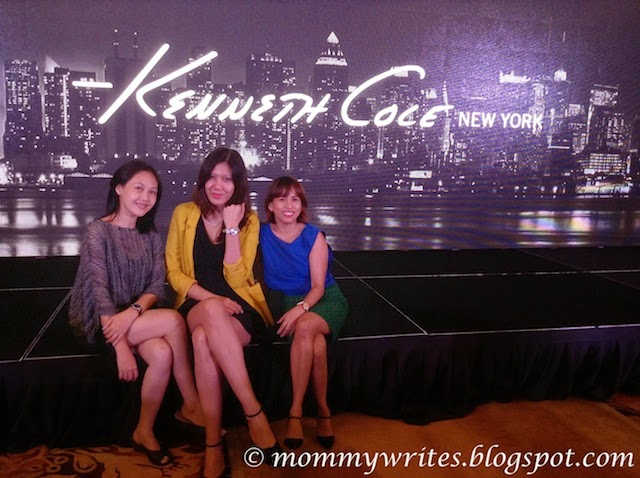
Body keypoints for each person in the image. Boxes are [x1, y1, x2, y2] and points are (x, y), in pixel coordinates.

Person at [68, 160, 204, 467]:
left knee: (162, 353)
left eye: (152, 192)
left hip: (133, 317)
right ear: (119, 189)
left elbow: (156, 285)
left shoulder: (150, 235)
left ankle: (143, 430)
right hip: (97, 321)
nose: (145, 197)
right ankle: (192, 404)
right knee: (173, 320)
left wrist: (132, 313)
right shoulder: (98, 231)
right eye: (138, 188)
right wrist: (120, 348)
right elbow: (99, 294)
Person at [165, 147, 279, 478]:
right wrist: (211, 298)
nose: (218, 185)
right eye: (212, 177)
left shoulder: (249, 220)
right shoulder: (184, 213)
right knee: (209, 314)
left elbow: (238, 277)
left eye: (227, 179)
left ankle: (213, 445)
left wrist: (231, 227)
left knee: (202, 341)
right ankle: (253, 412)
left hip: (238, 306)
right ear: (203, 180)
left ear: (237, 184)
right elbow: (173, 272)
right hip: (196, 303)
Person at [260, 176, 348, 450]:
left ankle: (295, 411)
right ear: (270, 205)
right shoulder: (260, 233)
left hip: (322, 299)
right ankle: (323, 410)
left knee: (306, 326)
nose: (289, 205)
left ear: (302, 205)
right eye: (282, 199)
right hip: (288, 301)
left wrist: (301, 309)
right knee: (317, 346)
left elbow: (319, 287)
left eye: (295, 199)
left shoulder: (313, 235)